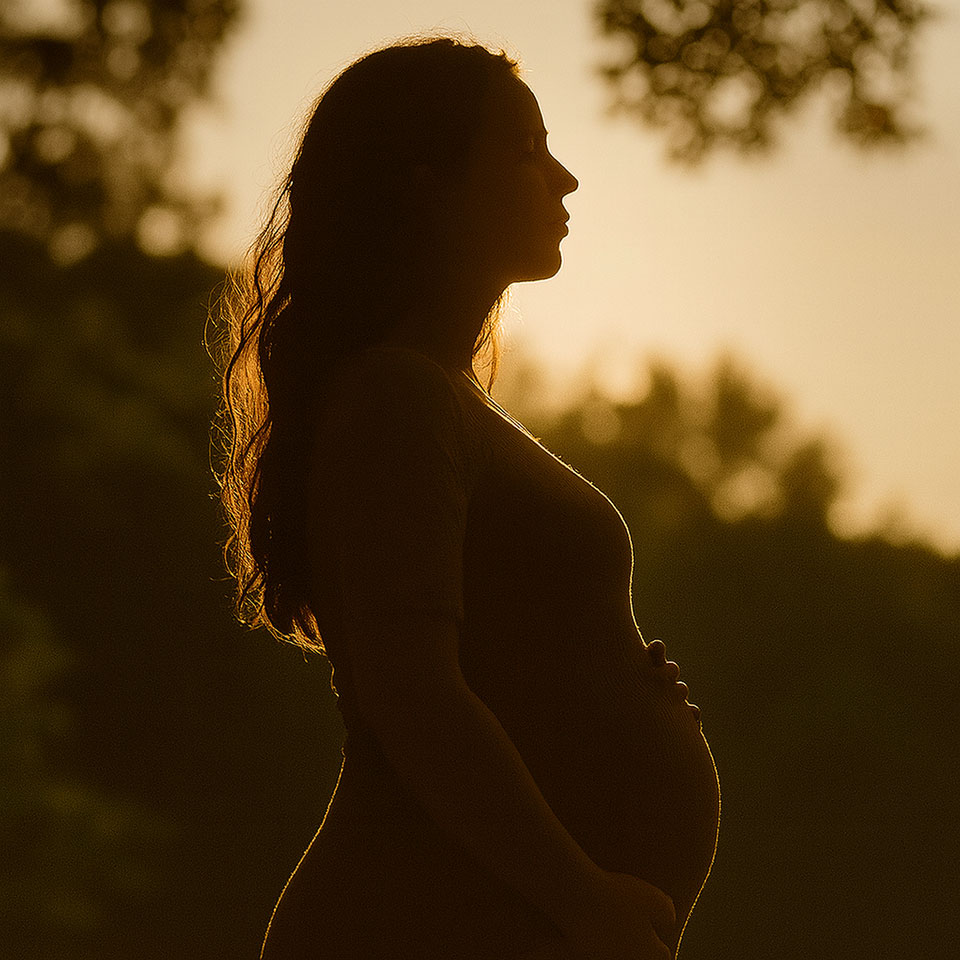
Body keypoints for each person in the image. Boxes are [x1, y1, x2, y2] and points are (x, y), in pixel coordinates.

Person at [218, 36, 720, 960]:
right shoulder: (393, 397)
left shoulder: (431, 397)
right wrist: (583, 901)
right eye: (527, 151)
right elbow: (411, 691)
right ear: (427, 182)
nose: (564, 180)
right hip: (422, 918)